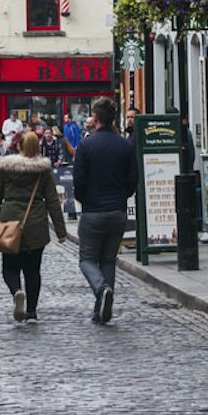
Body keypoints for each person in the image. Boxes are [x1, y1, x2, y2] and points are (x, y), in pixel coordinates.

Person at [0, 131, 68, 323]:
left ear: (19, 146)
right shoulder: (42, 170)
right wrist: (61, 231)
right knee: (33, 270)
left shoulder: (6, 168)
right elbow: (53, 201)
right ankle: (31, 311)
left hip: (9, 221)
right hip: (35, 223)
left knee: (9, 267)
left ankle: (16, 291)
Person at [73, 97, 137, 325]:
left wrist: (85, 200)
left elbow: (78, 182)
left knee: (87, 259)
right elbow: (133, 180)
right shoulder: (125, 145)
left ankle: (101, 290)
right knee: (108, 260)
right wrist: (121, 197)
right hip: (118, 212)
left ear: (96, 118)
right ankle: (101, 310)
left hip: (93, 211)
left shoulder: (86, 145)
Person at [60, 109, 85, 219]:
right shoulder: (65, 127)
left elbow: (76, 138)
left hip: (72, 152)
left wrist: (75, 148)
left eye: (66, 118)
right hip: (67, 153)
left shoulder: (73, 127)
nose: (65, 120)